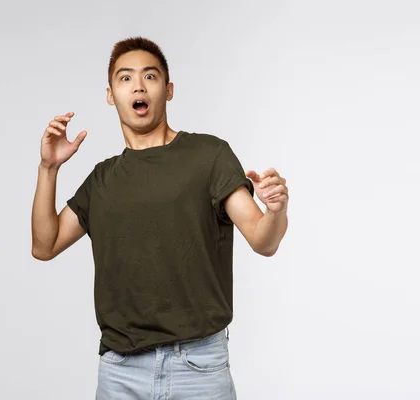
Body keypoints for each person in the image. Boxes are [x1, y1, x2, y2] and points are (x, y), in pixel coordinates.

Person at [31, 36, 289, 400]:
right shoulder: (102, 180)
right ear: (110, 94)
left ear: (168, 90)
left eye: (150, 76)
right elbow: (44, 245)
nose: (138, 85)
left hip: (198, 367)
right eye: (125, 78)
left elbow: (264, 239)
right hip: (120, 372)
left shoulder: (209, 155)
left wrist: (276, 211)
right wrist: (48, 168)